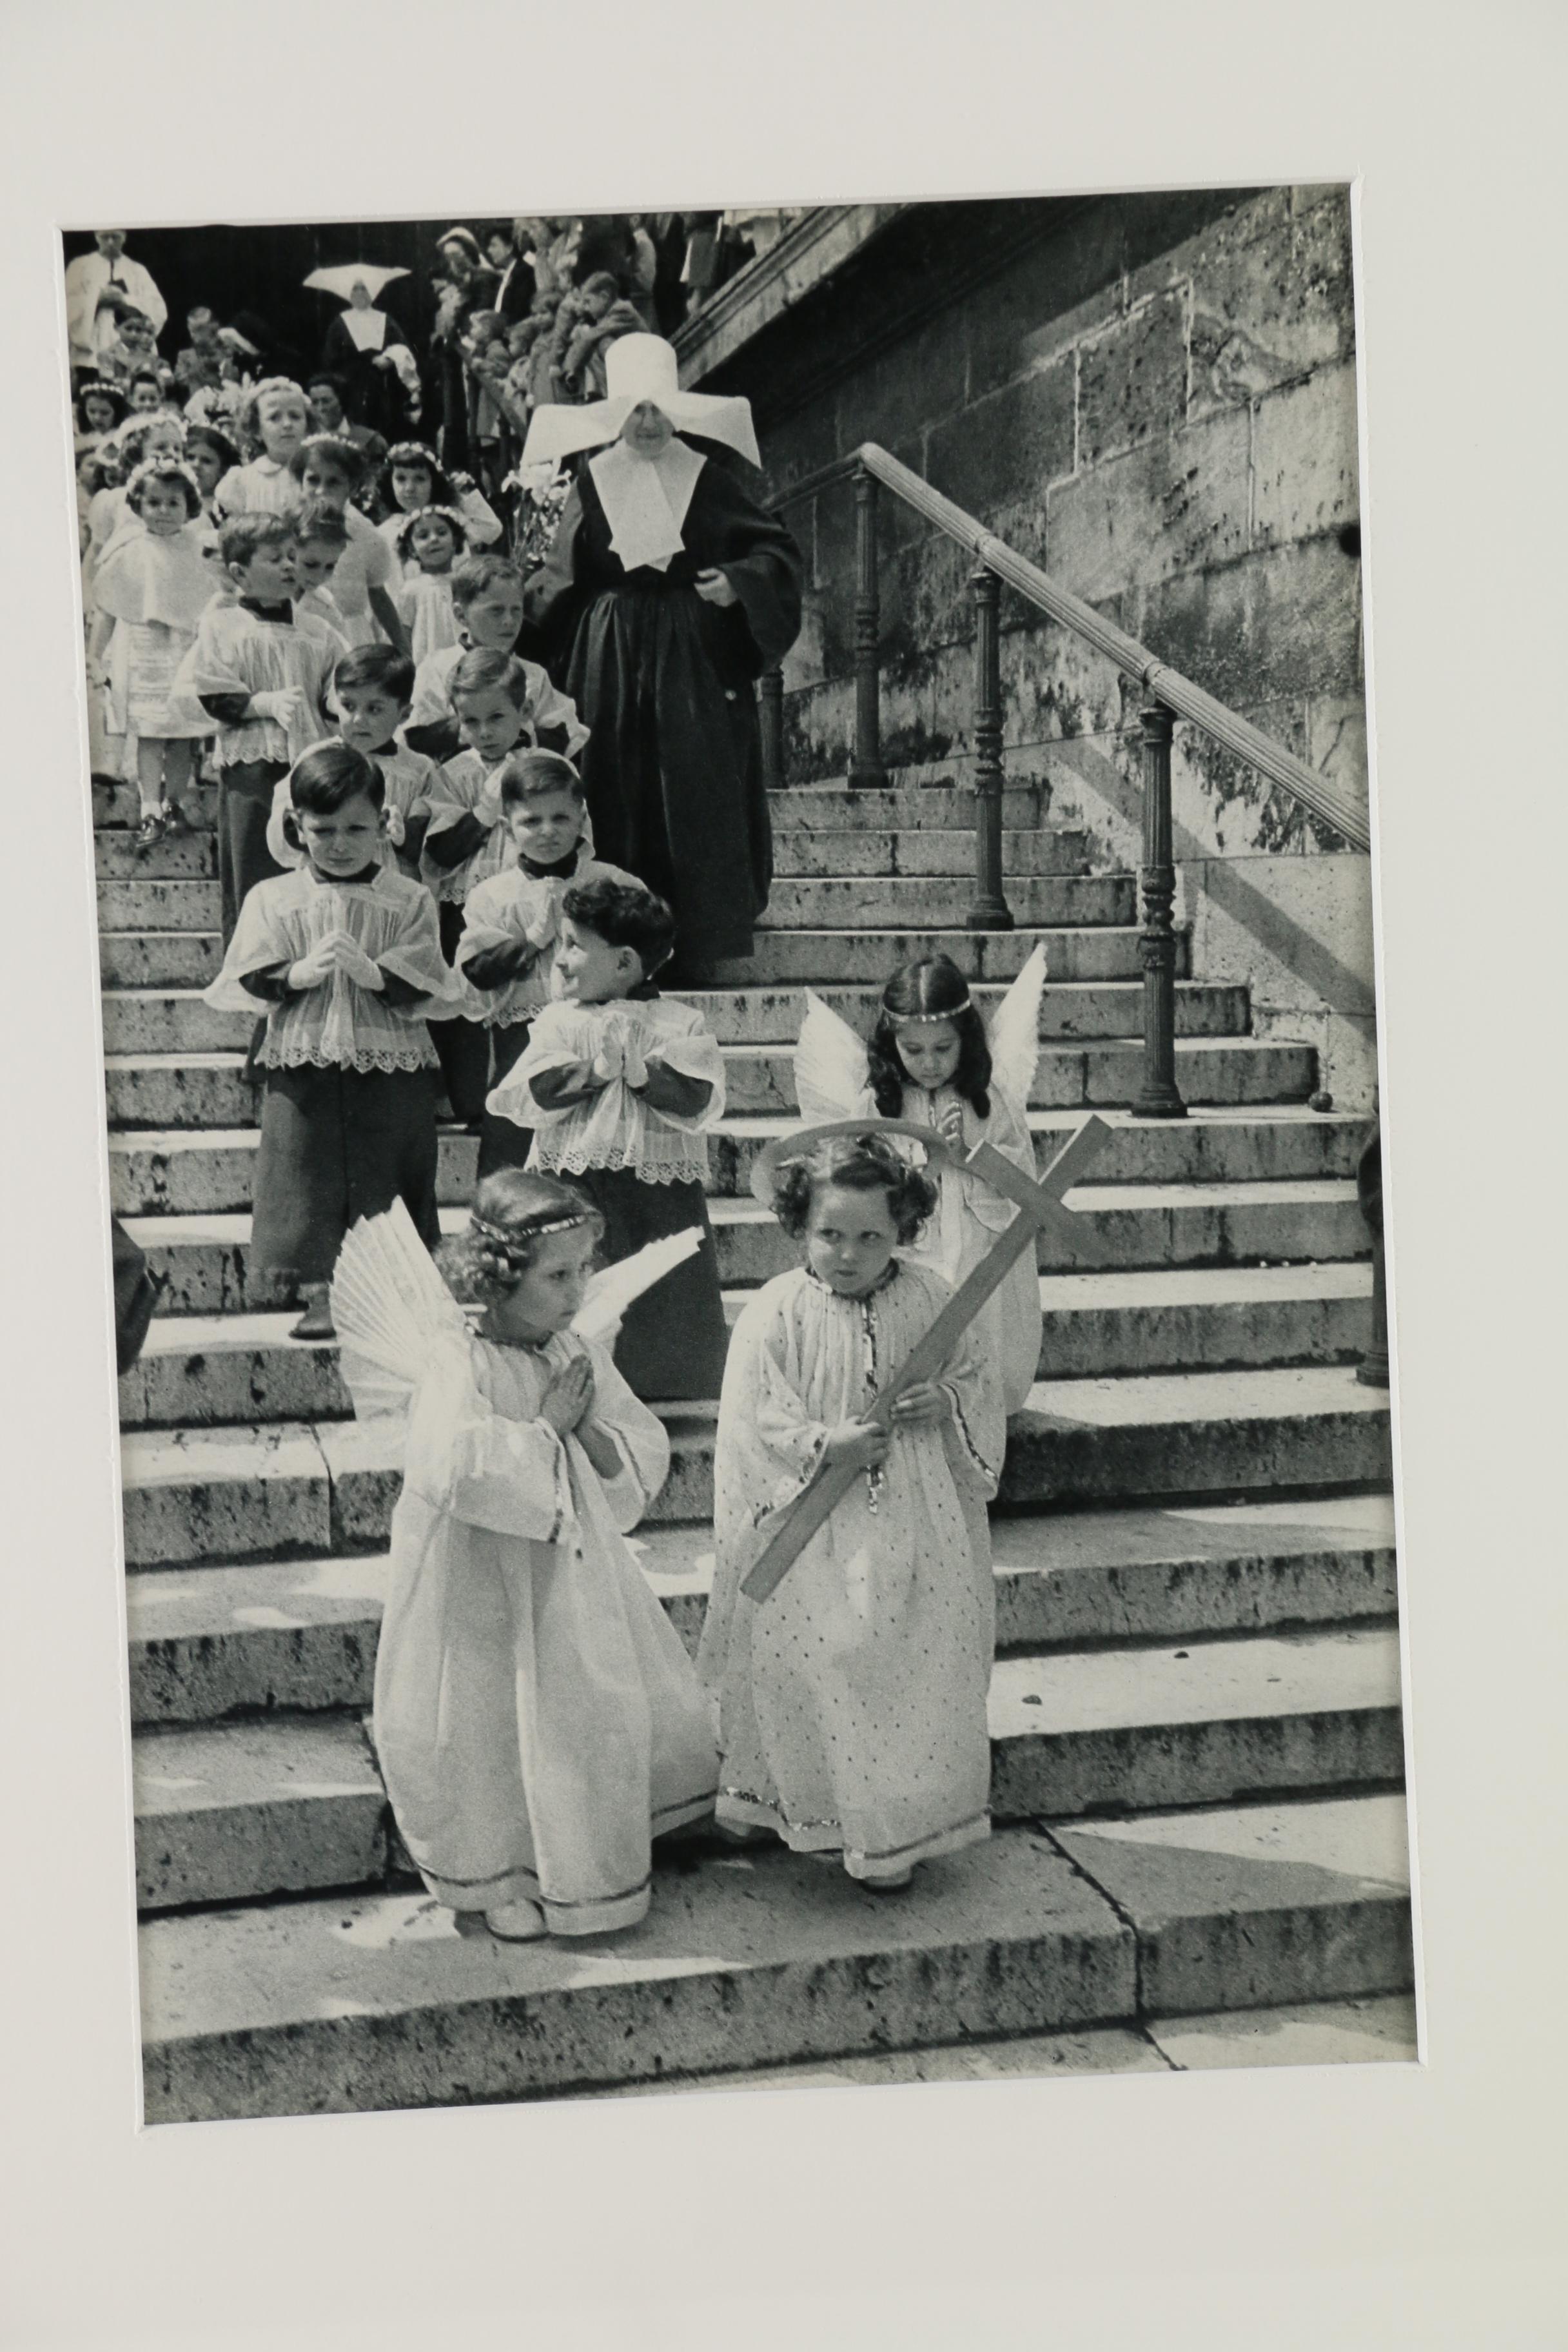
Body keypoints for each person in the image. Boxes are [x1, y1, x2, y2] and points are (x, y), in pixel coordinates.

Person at [349, 1169, 718, 1940]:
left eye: (585, 1267)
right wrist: (544, 1429)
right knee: (485, 1718)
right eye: (557, 1274)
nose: (578, 1288)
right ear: (497, 1277)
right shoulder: (460, 1358)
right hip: (476, 1579)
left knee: (575, 1705)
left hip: (567, 1576)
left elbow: (638, 1448)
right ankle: (498, 1869)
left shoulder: (575, 1349)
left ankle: (580, 1852)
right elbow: (451, 1465)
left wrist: (585, 1431)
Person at [697, 1131, 1003, 1886]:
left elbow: (974, 1376)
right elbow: (753, 1416)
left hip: (914, 1508)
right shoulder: (778, 1311)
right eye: (829, 1234)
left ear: (902, 1230)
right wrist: (818, 1442)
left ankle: (886, 1826)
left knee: (901, 1655)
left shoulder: (931, 1299)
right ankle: (779, 1796)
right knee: (806, 1656)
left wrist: (948, 1401)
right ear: (800, 1227)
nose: (847, 1253)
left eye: (870, 1236)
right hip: (810, 1521)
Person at [522, 334, 802, 976]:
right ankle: (611, 940)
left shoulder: (707, 477)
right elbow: (564, 573)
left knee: (694, 780)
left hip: (689, 650)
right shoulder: (592, 480)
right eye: (634, 411)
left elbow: (774, 550)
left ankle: (696, 936)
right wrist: (514, 627)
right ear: (614, 415)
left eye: (657, 411)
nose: (647, 424)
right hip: (610, 649)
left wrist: (738, 581)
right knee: (611, 776)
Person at [201, 742, 452, 1338]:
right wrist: (293, 974)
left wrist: (379, 974)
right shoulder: (275, 897)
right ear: (297, 828)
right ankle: (322, 1292)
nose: (340, 843)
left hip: (389, 1054)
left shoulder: (409, 898)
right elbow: (249, 970)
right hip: (306, 1051)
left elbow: (430, 977)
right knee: (306, 1171)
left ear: (384, 825)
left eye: (356, 828)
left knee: (387, 1167)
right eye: (324, 830)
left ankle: (392, 1291)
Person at [487, 879, 729, 1402]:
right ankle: (567, 1380)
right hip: (575, 1182)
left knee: (662, 1281)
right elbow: (535, 1091)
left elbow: (698, 1098)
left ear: (624, 964)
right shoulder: (558, 1022)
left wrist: (643, 1076)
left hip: (657, 1191)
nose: (561, 959)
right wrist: (594, 1072)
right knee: (578, 1277)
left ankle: (666, 1380)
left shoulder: (677, 1023)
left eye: (574, 945)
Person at [794, 949, 1048, 1417]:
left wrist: (970, 1154)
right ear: (893, 1044)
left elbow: (1026, 1185)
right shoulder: (878, 1102)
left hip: (978, 1244)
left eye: (942, 1049)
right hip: (913, 1246)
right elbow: (855, 1176)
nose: (929, 1064)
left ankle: (976, 1407)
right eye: (914, 1050)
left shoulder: (988, 1100)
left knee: (977, 1331)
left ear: (965, 1041)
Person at [455, 750, 638, 1180]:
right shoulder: (493, 895)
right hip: (524, 1039)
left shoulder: (613, 882)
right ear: (507, 827)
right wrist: (533, 939)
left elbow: (644, 955)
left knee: (595, 1152)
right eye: (531, 822)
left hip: (596, 1036)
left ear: (581, 816)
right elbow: (478, 971)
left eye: (560, 818)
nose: (548, 832)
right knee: (517, 1147)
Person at [170, 512, 344, 938]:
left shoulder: (318, 628)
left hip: (308, 761)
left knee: (309, 857)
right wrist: (261, 703)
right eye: (274, 558)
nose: (289, 565)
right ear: (240, 572)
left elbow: (338, 685)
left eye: (291, 556)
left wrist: (342, 705)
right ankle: (254, 968)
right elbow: (211, 692)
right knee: (252, 860)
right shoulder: (223, 625)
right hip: (253, 763)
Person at [88, 456, 215, 852]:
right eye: (154, 502)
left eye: (173, 503)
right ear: (139, 504)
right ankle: (150, 808)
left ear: (189, 506)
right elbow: (109, 606)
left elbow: (212, 603)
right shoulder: (128, 549)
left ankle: (175, 801)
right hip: (142, 650)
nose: (163, 511)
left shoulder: (198, 549)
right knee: (150, 732)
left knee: (182, 733)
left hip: (184, 650)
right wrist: (96, 656)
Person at [264, 645, 440, 887]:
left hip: (387, 890)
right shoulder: (316, 759)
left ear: (404, 714)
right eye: (348, 706)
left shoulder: (419, 770)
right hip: (328, 885)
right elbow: (283, 838)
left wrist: (405, 833)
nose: (358, 719)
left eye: (374, 709)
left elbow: (432, 849)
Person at [404, 553, 585, 765]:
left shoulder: (533, 674)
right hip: (457, 784)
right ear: (461, 615)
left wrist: (519, 732)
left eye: (516, 610)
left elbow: (561, 735)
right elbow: (417, 738)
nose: (509, 621)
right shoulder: (437, 668)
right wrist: (471, 724)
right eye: (496, 611)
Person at [287, 435, 407, 651]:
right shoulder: (289, 525)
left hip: (349, 632)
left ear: (352, 487)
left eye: (334, 482)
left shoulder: (365, 533)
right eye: (313, 480)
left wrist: (402, 646)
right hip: (298, 626)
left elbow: (378, 593)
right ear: (301, 480)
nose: (321, 490)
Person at [374, 442, 501, 574]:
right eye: (401, 479)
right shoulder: (387, 532)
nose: (409, 488)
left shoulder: (450, 518)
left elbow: (492, 530)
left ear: (433, 482)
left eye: (419, 479)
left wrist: (461, 496)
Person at [319, 279, 416, 444]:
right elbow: (330, 359)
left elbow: (402, 347)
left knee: (382, 424)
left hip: (379, 382)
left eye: (364, 289)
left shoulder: (384, 319)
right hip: (350, 384)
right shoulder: (341, 321)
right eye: (355, 289)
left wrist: (389, 358)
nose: (359, 293)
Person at [65, 231, 167, 373]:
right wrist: (97, 299)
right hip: (92, 344)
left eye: (116, 237)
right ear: (96, 237)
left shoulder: (137, 270)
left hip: (129, 342)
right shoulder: (80, 266)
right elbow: (68, 305)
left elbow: (156, 308)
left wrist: (124, 299)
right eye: (105, 237)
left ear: (124, 238)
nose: (111, 242)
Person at [213, 378, 311, 518]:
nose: (287, 424)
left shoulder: (318, 475)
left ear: (307, 425)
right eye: (274, 417)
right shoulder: (244, 480)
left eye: (295, 416)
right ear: (256, 429)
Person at [394, 505, 467, 663]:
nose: (434, 539)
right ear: (411, 549)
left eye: (442, 533)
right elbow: (404, 633)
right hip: (427, 661)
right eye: (423, 536)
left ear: (455, 541)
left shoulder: (465, 582)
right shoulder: (411, 589)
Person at [304, 373, 387, 473]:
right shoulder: (305, 442)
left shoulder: (371, 442)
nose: (321, 408)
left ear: (342, 402)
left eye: (326, 401)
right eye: (315, 402)